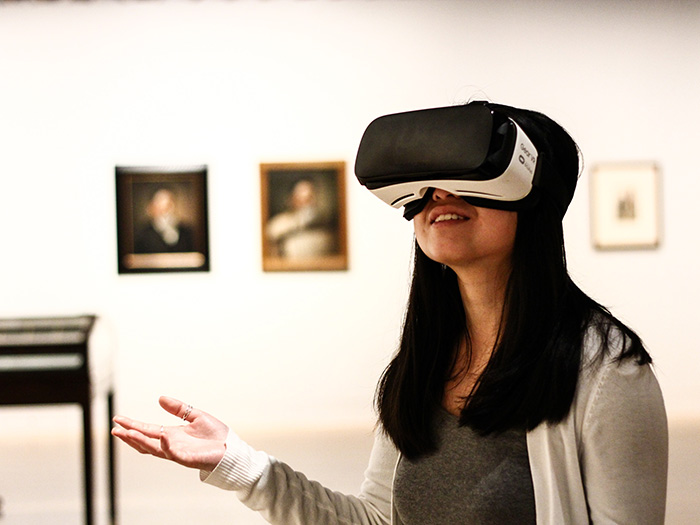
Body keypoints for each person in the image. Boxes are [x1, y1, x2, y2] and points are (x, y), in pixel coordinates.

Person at [112, 101, 668, 524]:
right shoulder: (423, 364)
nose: (439, 198)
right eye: (426, 187)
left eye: (467, 179)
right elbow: (377, 519)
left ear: (532, 199)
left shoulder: (606, 373)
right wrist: (237, 463)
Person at [265, 178, 338, 258]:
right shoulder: (280, 222)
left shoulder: (325, 225)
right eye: (301, 199)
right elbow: (272, 233)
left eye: (310, 198)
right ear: (291, 199)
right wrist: (300, 221)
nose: (307, 204)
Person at [134, 187, 195, 254]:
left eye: (169, 204)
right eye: (161, 205)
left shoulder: (185, 231)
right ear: (152, 207)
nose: (166, 210)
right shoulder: (143, 233)